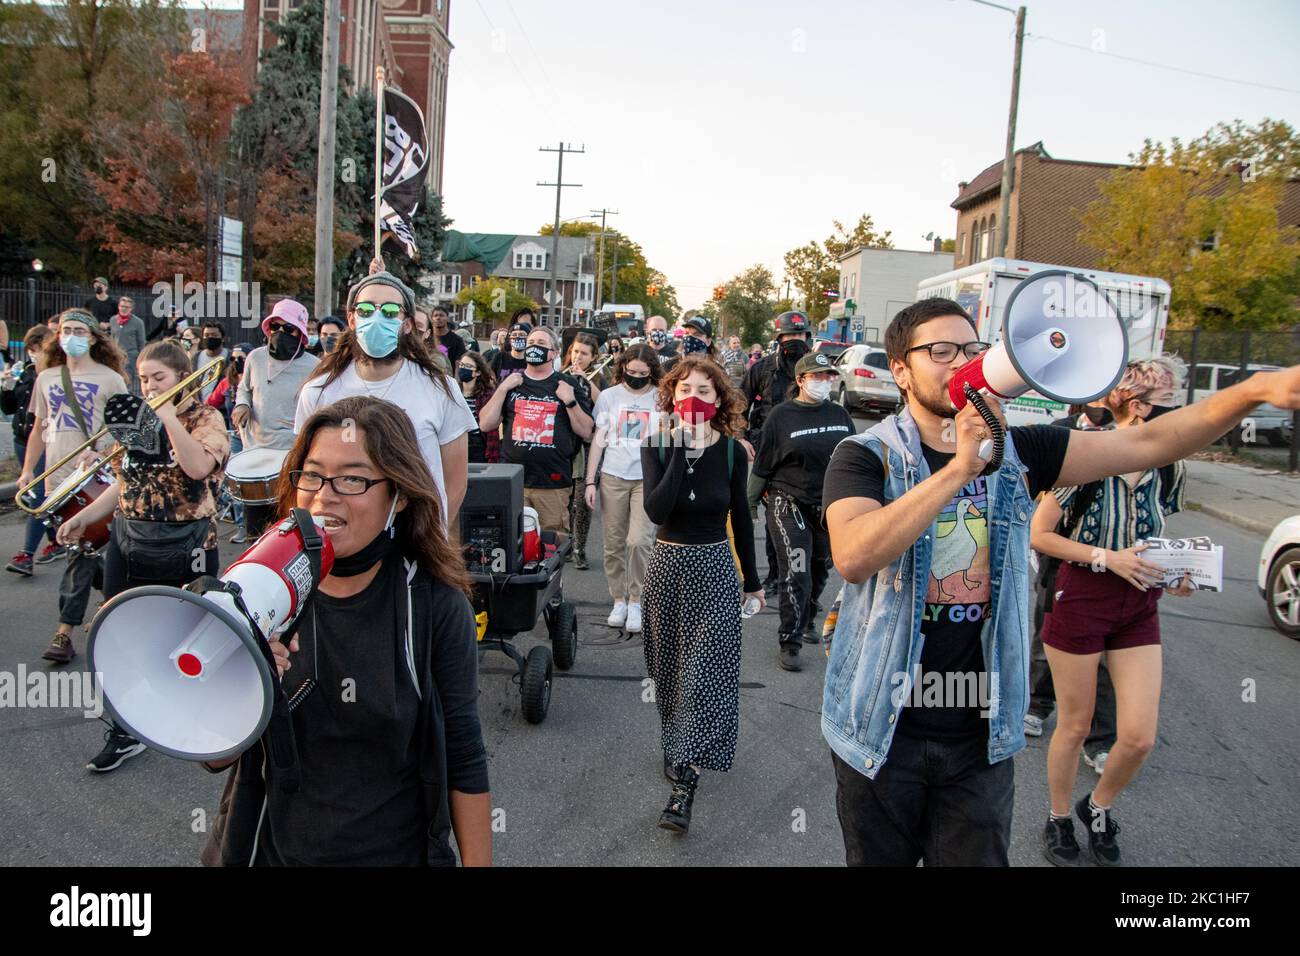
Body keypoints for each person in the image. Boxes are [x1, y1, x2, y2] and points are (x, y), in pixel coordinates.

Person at [821, 296, 1300, 867]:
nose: (962, 362)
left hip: (979, 734)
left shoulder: (1025, 449)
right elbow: (854, 556)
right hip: (881, 724)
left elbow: (1148, 443)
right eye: (941, 351)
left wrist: (1249, 393)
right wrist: (959, 466)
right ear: (900, 369)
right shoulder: (864, 455)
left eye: (972, 350)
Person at [199, 396, 492, 866]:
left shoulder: (434, 606)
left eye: (353, 478)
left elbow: (463, 755)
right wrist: (242, 685)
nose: (323, 496)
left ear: (398, 495)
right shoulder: (259, 595)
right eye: (311, 475)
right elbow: (214, 758)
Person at [1031, 358, 1191, 867]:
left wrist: (1179, 571)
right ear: (1136, 406)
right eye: (1166, 404)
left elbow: (1161, 535)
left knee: (1139, 736)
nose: (1176, 414)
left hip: (1140, 601)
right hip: (1082, 594)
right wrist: (1106, 557)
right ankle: (1058, 818)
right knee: (1075, 725)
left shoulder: (1172, 464)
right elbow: (1040, 534)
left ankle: (1097, 807)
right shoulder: (1089, 454)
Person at [57, 340, 229, 772]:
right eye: (144, 377)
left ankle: (188, 712)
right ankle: (126, 728)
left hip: (188, 543)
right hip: (129, 538)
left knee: (186, 636)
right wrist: (85, 517)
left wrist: (169, 416)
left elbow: (195, 469)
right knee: (122, 635)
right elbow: (125, 481)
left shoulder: (207, 417)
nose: (149, 385)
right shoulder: (134, 416)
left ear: (181, 376)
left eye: (159, 378)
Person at [640, 355, 763, 833]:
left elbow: (742, 518)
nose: (694, 397)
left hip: (713, 570)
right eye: (685, 388)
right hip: (668, 569)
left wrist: (752, 582)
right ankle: (676, 745)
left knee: (704, 674)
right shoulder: (655, 442)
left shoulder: (733, 452)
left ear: (720, 400)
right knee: (668, 671)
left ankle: (684, 787)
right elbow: (656, 509)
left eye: (705, 391)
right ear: (672, 395)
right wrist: (678, 449)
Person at [295, 272, 475, 523]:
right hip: (343, 541)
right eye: (366, 310)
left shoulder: (441, 389)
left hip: (414, 543)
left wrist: (434, 539)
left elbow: (455, 482)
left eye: (390, 311)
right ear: (352, 319)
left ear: (407, 323)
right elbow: (307, 474)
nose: (377, 319)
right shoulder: (318, 392)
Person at [17, 309, 128, 664]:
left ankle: (64, 631)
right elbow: (38, 428)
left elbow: (124, 430)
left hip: (93, 476)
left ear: (94, 337)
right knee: (81, 549)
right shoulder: (47, 377)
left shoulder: (111, 379)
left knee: (79, 548)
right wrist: (25, 472)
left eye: (79, 329)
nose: (71, 335)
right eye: (66, 330)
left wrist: (101, 451)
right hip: (55, 475)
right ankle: (115, 592)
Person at [1025, 400, 1118, 767]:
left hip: (1117, 577)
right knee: (1046, 633)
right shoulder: (1061, 429)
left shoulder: (1135, 448)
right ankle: (1037, 704)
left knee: (1104, 657)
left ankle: (1100, 739)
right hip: (1063, 562)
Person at [750, 350, 854, 672]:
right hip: (787, 500)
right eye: (817, 377)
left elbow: (853, 459)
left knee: (823, 566)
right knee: (797, 571)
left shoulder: (840, 415)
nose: (824, 382)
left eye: (828, 377)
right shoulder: (781, 417)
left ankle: (807, 615)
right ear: (800, 380)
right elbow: (763, 464)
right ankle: (790, 639)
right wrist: (748, 504)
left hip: (828, 504)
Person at [477, 325, 593, 535]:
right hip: (513, 479)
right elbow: (486, 424)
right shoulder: (512, 383)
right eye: (531, 343)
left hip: (552, 483)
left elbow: (586, 431)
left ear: (554, 353)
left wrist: (570, 401)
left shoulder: (567, 384)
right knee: (511, 541)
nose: (534, 347)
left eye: (541, 344)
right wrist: (503, 389)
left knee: (551, 543)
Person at [585, 343, 661, 633]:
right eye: (631, 371)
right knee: (614, 542)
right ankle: (618, 599)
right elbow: (599, 439)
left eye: (642, 373)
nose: (636, 377)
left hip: (647, 477)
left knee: (639, 540)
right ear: (623, 369)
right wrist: (590, 480)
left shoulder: (660, 398)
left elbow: (669, 438)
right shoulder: (609, 396)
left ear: (651, 371)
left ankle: (637, 599)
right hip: (614, 475)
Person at [232, 300, 319, 540]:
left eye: (289, 329)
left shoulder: (315, 367)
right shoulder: (255, 358)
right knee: (255, 532)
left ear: (300, 334)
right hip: (255, 453)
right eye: (275, 327)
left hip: (291, 456)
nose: (281, 333)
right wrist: (242, 404)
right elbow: (244, 388)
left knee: (287, 529)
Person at [743, 310, 813, 597]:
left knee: (806, 519)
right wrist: (739, 437)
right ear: (779, 338)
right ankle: (775, 575)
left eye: (800, 335)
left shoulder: (815, 369)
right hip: (768, 453)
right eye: (789, 335)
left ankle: (805, 582)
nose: (795, 340)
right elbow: (738, 404)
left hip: (805, 454)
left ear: (807, 337)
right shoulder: (761, 370)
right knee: (776, 516)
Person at [4, 325, 61, 575]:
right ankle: (57, 540)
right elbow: (9, 408)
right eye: (31, 349)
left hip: (46, 442)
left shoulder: (57, 377)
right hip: (22, 439)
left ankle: (26, 555)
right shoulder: (26, 373)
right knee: (40, 496)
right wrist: (5, 388)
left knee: (37, 495)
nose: (34, 354)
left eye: (39, 349)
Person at [562, 332, 605, 568]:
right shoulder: (560, 374)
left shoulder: (600, 378)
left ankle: (580, 548)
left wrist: (585, 381)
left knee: (582, 499)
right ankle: (566, 545)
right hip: (566, 443)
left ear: (593, 357)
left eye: (585, 353)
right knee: (566, 498)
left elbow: (605, 403)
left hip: (589, 445)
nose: (579, 356)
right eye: (576, 351)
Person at [457, 351, 500, 464]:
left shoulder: (487, 395)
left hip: (477, 446)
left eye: (468, 366)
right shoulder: (453, 392)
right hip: (456, 442)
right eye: (461, 365)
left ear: (478, 372)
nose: (463, 369)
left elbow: (492, 431)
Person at [111, 297, 148, 393]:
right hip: (116, 356)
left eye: (127, 307)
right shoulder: (113, 320)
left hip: (130, 356)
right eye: (122, 306)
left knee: (127, 382)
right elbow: (112, 337)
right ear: (119, 307)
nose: (124, 309)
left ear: (131, 309)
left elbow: (141, 341)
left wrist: (142, 358)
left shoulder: (138, 322)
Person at [195, 321, 228, 401]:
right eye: (206, 335)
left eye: (214, 335)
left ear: (222, 338)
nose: (210, 337)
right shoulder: (196, 358)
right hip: (199, 407)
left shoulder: (230, 357)